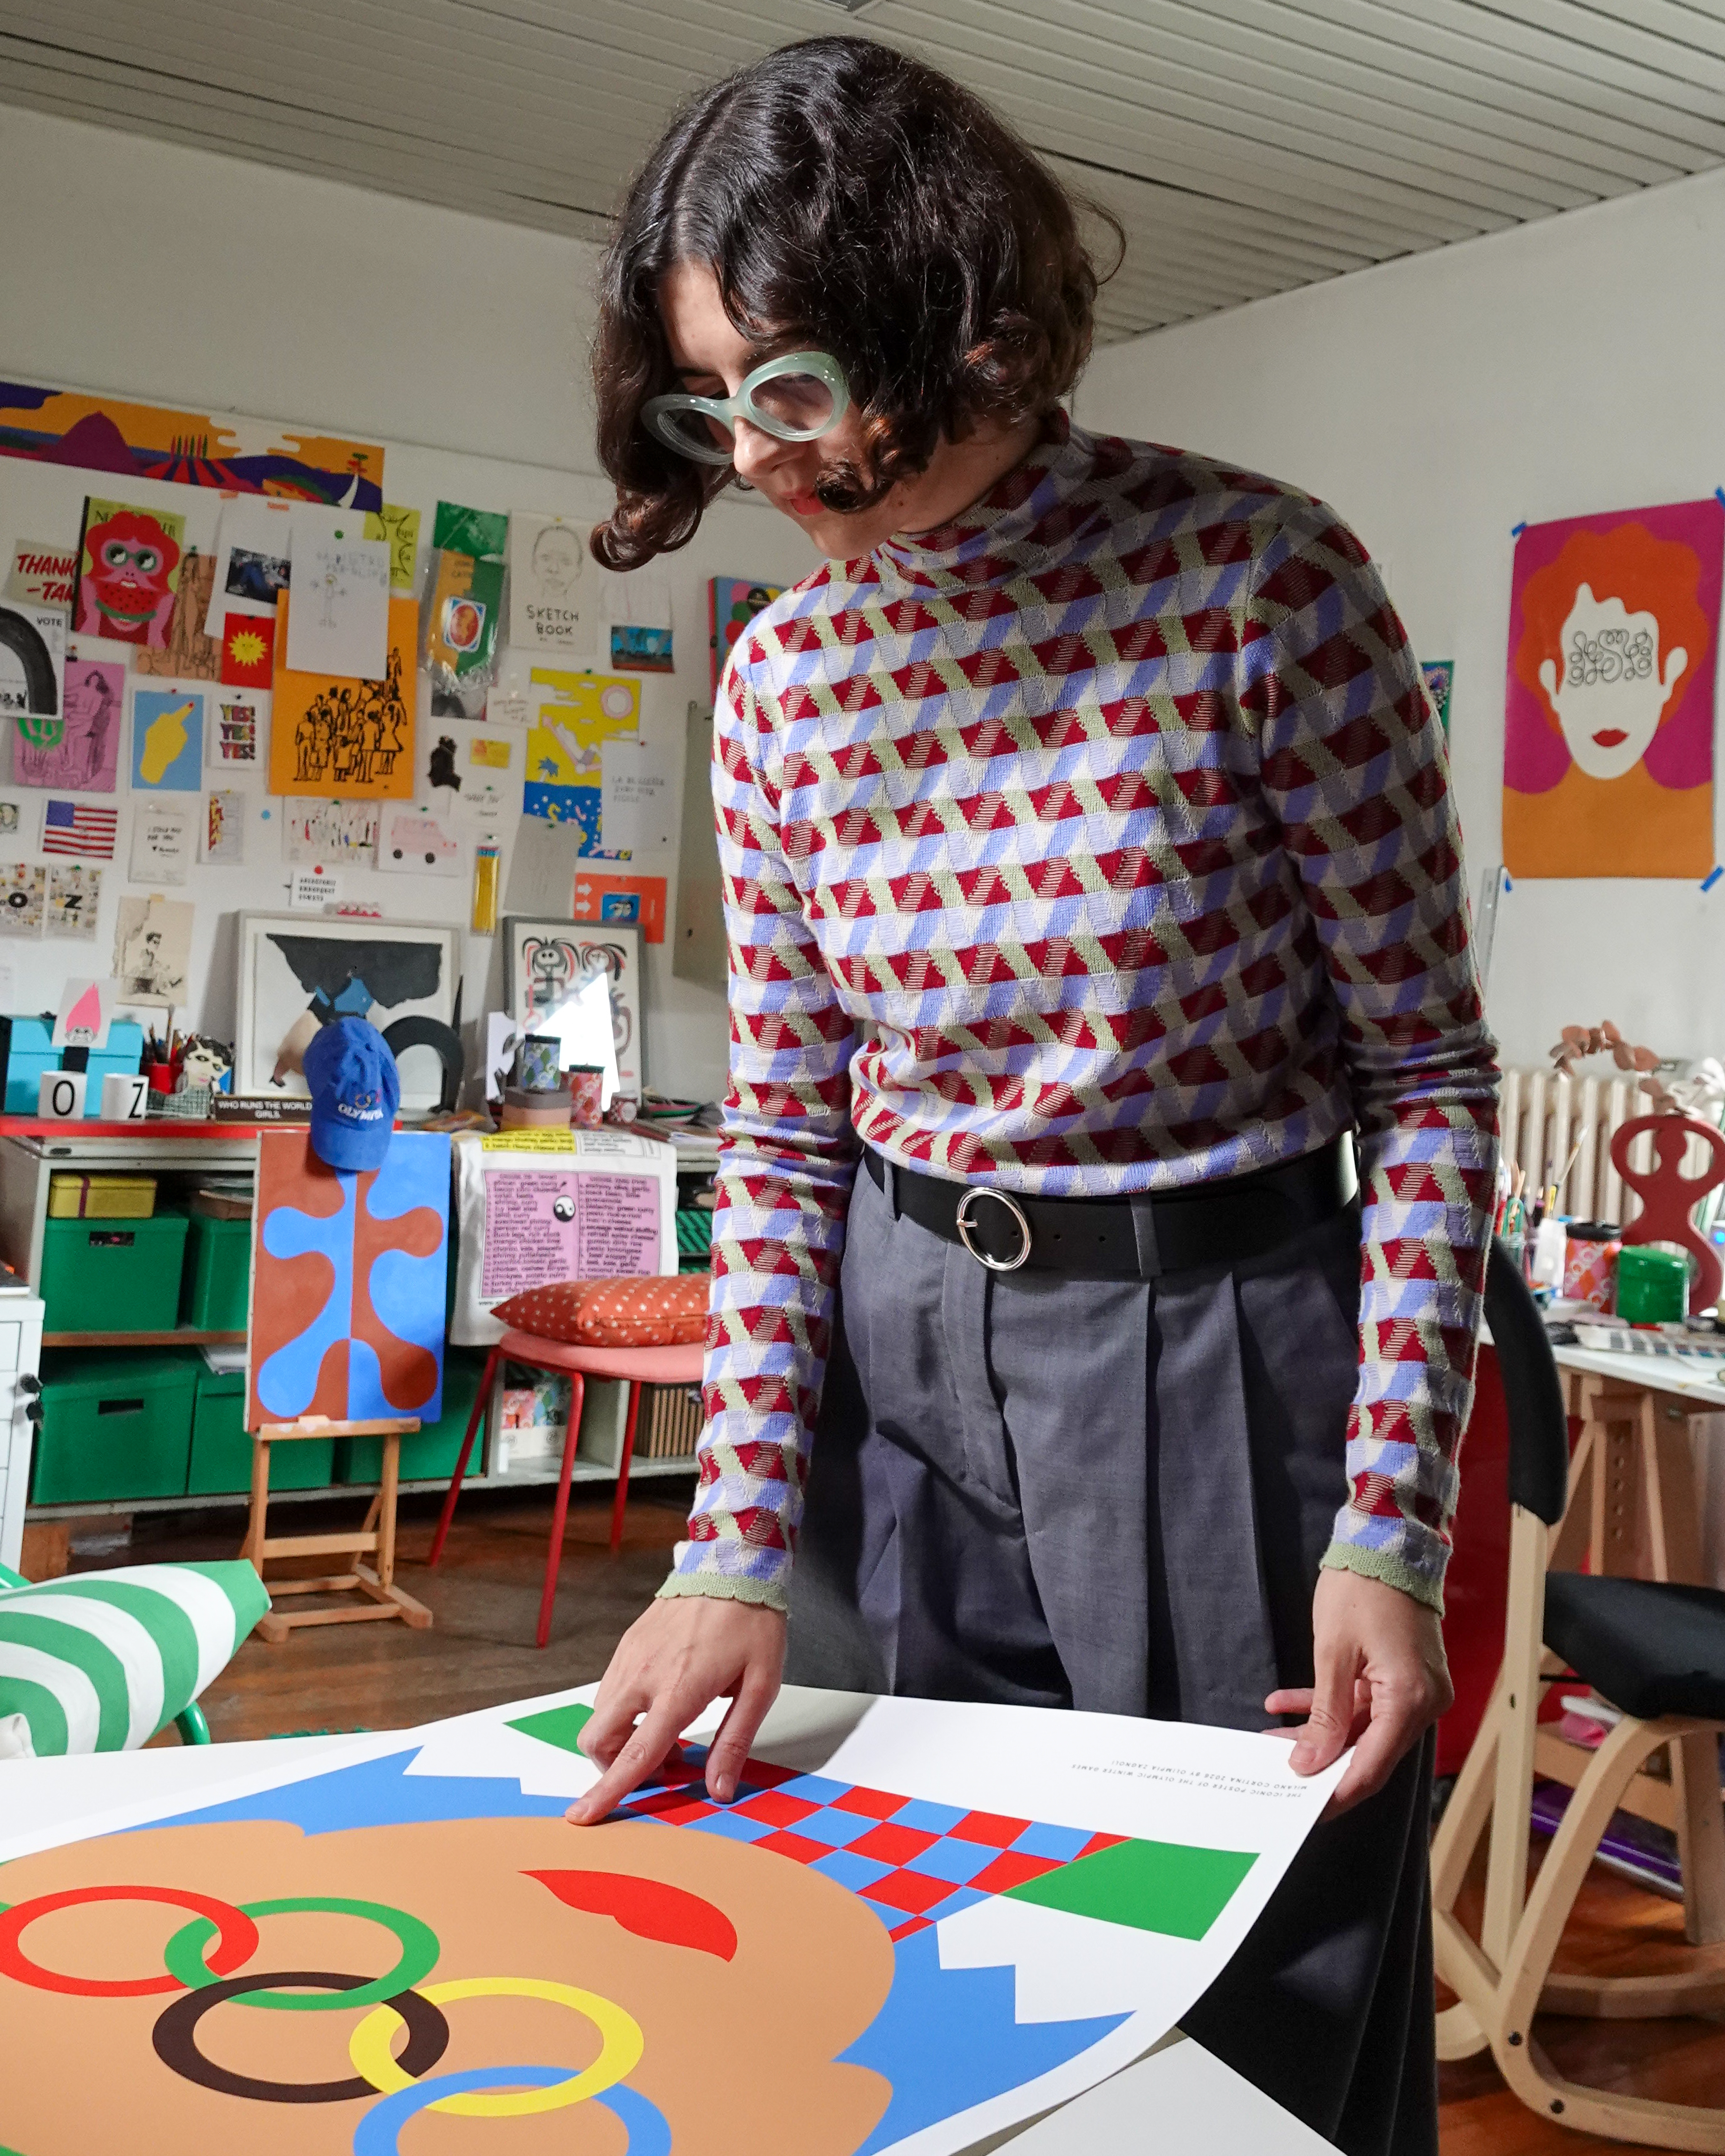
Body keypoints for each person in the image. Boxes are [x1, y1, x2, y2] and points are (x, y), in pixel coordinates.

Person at [570, 37, 1499, 2155]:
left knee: (1253, 1969)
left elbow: (1432, 1078)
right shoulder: (787, 681)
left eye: (794, 383)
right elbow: (793, 1126)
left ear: (957, 307)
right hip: (902, 1357)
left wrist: (1387, 1515)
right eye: (717, 407)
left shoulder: (1260, 583)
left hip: (1222, 1348)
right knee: (918, 1958)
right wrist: (725, 1546)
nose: (764, 455)